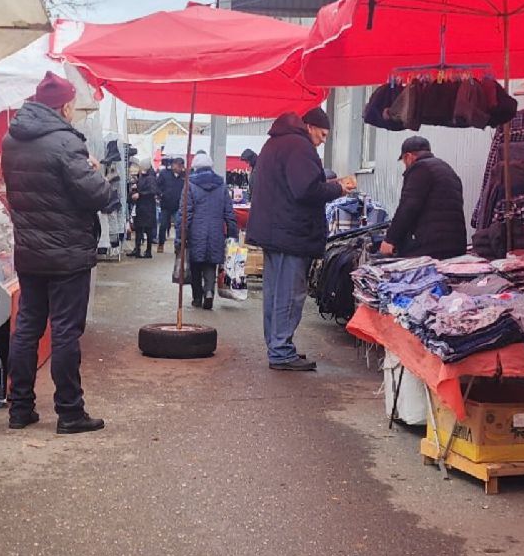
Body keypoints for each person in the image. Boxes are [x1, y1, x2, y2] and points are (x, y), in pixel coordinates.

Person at [0, 73, 116, 434]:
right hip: (67, 254)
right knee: (65, 331)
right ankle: (69, 412)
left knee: (27, 329)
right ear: (64, 106)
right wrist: (96, 171)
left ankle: (19, 409)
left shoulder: (11, 140)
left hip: (30, 251)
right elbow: (99, 196)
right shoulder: (66, 143)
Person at [247, 106, 355, 371]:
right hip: (290, 234)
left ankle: (278, 346)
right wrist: (338, 187)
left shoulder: (276, 143)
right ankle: (281, 351)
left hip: (275, 232)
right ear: (309, 127)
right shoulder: (299, 146)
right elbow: (305, 189)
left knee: (275, 293)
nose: (323, 140)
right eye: (322, 134)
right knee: (289, 295)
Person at [379, 135, 468, 259]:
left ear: (408, 157)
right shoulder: (447, 169)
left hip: (431, 247)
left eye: (404, 161)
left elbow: (407, 208)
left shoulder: (420, 168)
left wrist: (390, 240)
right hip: (456, 246)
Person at [178, 152, 238, 310]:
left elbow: (185, 214)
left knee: (196, 265)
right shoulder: (222, 185)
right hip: (216, 232)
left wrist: (180, 237)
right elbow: (229, 212)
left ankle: (197, 297)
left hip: (196, 232)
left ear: (195, 168)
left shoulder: (189, 185)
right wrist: (233, 235)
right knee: (211, 263)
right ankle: (209, 292)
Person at [154, 157, 185, 252]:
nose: (179, 168)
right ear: (173, 165)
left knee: (178, 226)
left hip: (178, 205)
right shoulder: (164, 174)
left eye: (181, 166)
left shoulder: (184, 176)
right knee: (163, 225)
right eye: (177, 165)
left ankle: (178, 245)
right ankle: (161, 244)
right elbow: (157, 185)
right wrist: (161, 194)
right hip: (165, 204)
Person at [128, 165, 159, 258]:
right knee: (140, 229)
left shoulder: (150, 178)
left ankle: (146, 251)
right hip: (142, 207)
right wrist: (134, 191)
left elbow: (152, 191)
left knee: (146, 230)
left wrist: (139, 194)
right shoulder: (143, 177)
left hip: (147, 207)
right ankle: (139, 250)